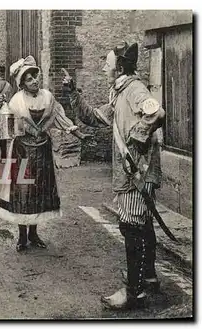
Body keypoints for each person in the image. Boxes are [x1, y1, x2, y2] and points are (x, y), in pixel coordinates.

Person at [63, 42, 165, 310]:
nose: (104, 68)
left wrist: (137, 138)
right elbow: (95, 117)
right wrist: (74, 93)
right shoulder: (119, 92)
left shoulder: (134, 89)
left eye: (107, 64)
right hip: (134, 171)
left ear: (119, 67)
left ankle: (134, 292)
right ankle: (148, 277)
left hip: (137, 171)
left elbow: (156, 112)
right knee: (141, 224)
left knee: (131, 227)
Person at [0, 55, 91, 252]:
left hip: (42, 150)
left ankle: (34, 233)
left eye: (35, 77)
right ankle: (22, 236)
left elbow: (60, 118)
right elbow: (8, 126)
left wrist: (79, 134)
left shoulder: (48, 97)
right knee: (23, 191)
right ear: (22, 83)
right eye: (29, 79)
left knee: (39, 190)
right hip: (22, 150)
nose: (34, 81)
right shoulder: (15, 101)